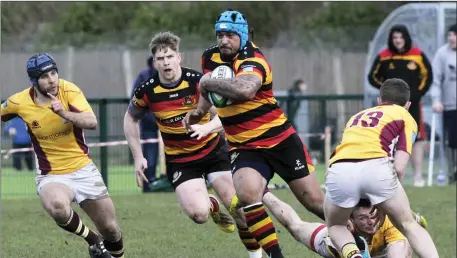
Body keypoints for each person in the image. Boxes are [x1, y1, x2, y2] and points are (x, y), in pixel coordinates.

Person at [183, 9, 325, 258]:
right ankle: (275, 255)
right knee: (247, 196)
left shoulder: (254, 59)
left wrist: (206, 83)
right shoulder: (210, 58)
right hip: (244, 146)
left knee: (315, 202)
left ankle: (361, 236)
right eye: (220, 35)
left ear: (242, 35)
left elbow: (245, 90)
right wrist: (198, 112)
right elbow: (212, 94)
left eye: (229, 35)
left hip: (279, 140)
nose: (223, 40)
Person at [124, 31, 269, 258]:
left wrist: (206, 128)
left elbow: (225, 115)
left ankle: (256, 255)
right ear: (155, 62)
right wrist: (138, 156)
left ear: (179, 57)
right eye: (160, 59)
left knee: (238, 208)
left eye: (170, 56)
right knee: (199, 215)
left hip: (214, 152)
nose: (166, 62)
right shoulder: (147, 90)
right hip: (181, 161)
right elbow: (130, 118)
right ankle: (210, 206)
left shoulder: (198, 82)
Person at [1, 53, 124, 258]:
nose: (52, 80)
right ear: (34, 81)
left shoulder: (69, 90)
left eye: (53, 73)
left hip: (83, 169)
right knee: (58, 207)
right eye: (44, 76)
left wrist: (64, 113)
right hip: (51, 174)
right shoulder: (19, 101)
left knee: (111, 229)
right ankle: (93, 240)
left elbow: (91, 121)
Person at [323, 78, 438, 258]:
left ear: (379, 101)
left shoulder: (356, 116)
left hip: (340, 168)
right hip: (376, 167)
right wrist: (384, 201)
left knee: (336, 226)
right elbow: (399, 167)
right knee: (408, 224)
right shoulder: (404, 115)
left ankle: (354, 255)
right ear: (408, 105)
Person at [367, 24, 433, 187]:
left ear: (406, 38)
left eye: (401, 37)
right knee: (391, 135)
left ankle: (418, 176)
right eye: (395, 37)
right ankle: (392, 175)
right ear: (391, 39)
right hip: (389, 105)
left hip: (413, 103)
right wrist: (385, 91)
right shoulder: (383, 56)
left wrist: (418, 93)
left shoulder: (417, 55)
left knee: (416, 138)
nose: (398, 41)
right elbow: (372, 77)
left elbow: (428, 76)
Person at [131, 55, 161, 192]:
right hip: (149, 125)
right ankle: (149, 187)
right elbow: (136, 100)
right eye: (158, 59)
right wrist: (154, 120)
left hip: (170, 125)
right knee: (150, 157)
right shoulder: (144, 76)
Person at [431, 23, 457, 184]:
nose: (451, 37)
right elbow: (436, 80)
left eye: (454, 34)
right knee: (452, 141)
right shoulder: (442, 53)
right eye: (450, 34)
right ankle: (452, 172)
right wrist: (436, 100)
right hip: (450, 106)